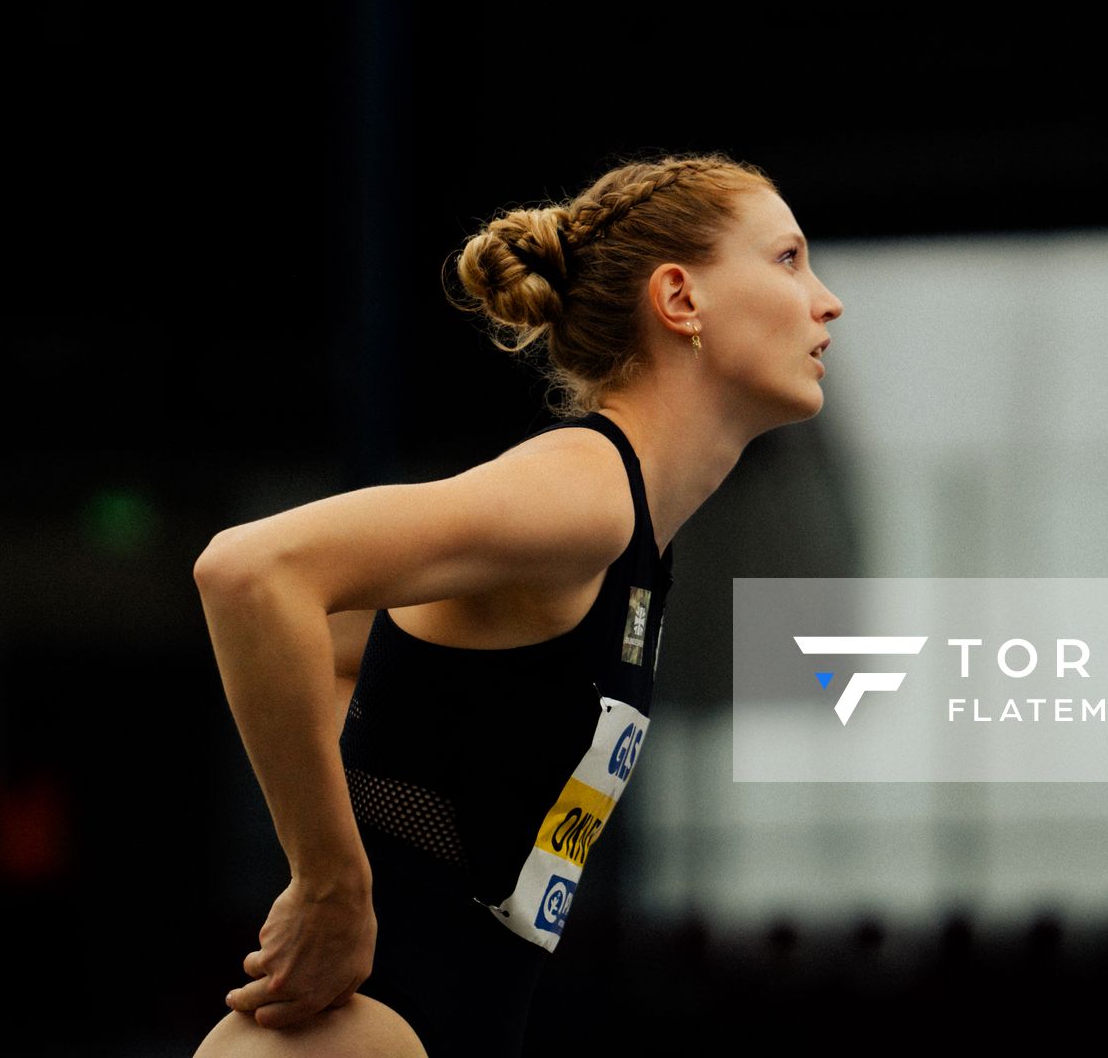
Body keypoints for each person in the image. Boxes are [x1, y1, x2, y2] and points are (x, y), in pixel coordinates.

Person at [190, 152, 843, 1057]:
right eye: (786, 259)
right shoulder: (584, 493)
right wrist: (331, 883)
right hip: (353, 1032)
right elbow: (251, 572)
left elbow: (347, 647)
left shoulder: (636, 533)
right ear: (681, 300)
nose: (826, 300)